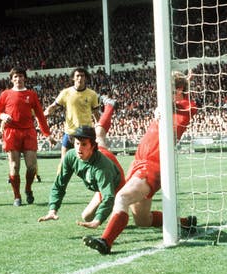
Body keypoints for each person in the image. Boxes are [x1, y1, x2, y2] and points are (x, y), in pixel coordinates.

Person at [83, 71, 198, 255]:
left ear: (179, 89)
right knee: (142, 220)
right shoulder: (167, 106)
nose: (160, 91)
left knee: (122, 198)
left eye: (166, 86)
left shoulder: (186, 106)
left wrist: (173, 97)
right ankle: (186, 222)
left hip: (152, 165)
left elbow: (182, 106)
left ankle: (105, 241)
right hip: (139, 162)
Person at [37, 125, 125, 228]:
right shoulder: (71, 156)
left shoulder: (102, 168)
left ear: (92, 146)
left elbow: (108, 196)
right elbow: (59, 185)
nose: (79, 148)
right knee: (86, 217)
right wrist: (53, 210)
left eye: (84, 144)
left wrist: (98, 220)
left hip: (116, 184)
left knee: (119, 221)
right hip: (101, 183)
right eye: (77, 143)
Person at [0, 67, 51, 206]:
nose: (18, 79)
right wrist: (3, 115)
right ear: (11, 79)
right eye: (15, 77)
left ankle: (28, 189)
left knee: (31, 166)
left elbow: (39, 115)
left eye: (20, 76)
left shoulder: (31, 94)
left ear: (24, 78)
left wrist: (47, 134)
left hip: (29, 132)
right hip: (11, 132)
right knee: (14, 166)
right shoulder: (5, 94)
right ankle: (17, 196)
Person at [44, 67, 101, 160]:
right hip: (70, 132)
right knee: (64, 161)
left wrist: (99, 130)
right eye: (77, 76)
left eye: (82, 76)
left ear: (85, 78)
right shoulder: (66, 92)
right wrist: (43, 115)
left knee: (89, 161)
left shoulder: (92, 94)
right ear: (73, 78)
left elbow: (96, 113)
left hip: (86, 132)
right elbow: (53, 106)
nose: (80, 78)